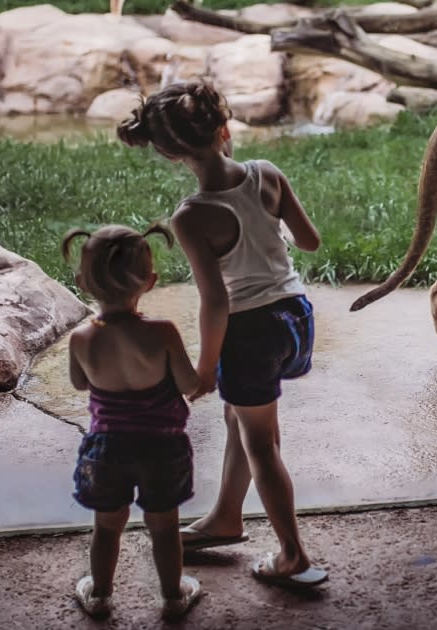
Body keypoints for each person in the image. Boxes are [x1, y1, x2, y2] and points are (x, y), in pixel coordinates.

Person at [116, 81, 328, 588]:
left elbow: (216, 301)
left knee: (262, 442)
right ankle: (227, 517)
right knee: (240, 416)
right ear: (224, 129)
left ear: (169, 153)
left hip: (250, 331)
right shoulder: (267, 174)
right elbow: (309, 241)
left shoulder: (192, 217)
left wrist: (206, 366)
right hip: (296, 317)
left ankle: (292, 555)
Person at [63, 224, 204, 620]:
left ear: (82, 282)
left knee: (106, 527)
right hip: (163, 448)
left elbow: (78, 382)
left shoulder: (81, 338)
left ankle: (101, 595)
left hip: (107, 448)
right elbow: (189, 384)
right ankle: (174, 596)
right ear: (151, 281)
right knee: (164, 527)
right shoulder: (162, 333)